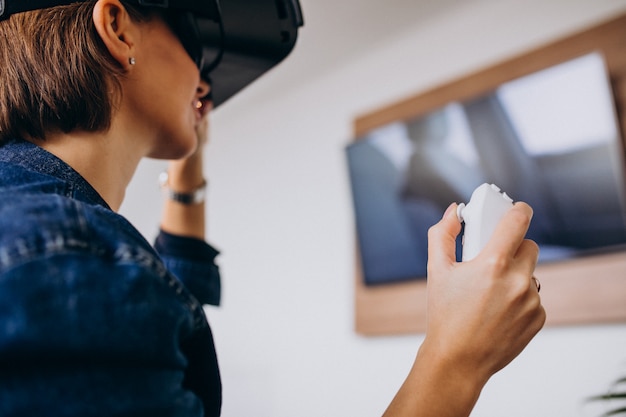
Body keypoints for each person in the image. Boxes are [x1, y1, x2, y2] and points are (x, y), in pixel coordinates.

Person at [0, 1, 546, 416]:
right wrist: (455, 360)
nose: (202, 81)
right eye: (197, 46)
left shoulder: (56, 237)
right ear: (118, 31)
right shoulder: (70, 257)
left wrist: (188, 166)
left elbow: (164, 296)